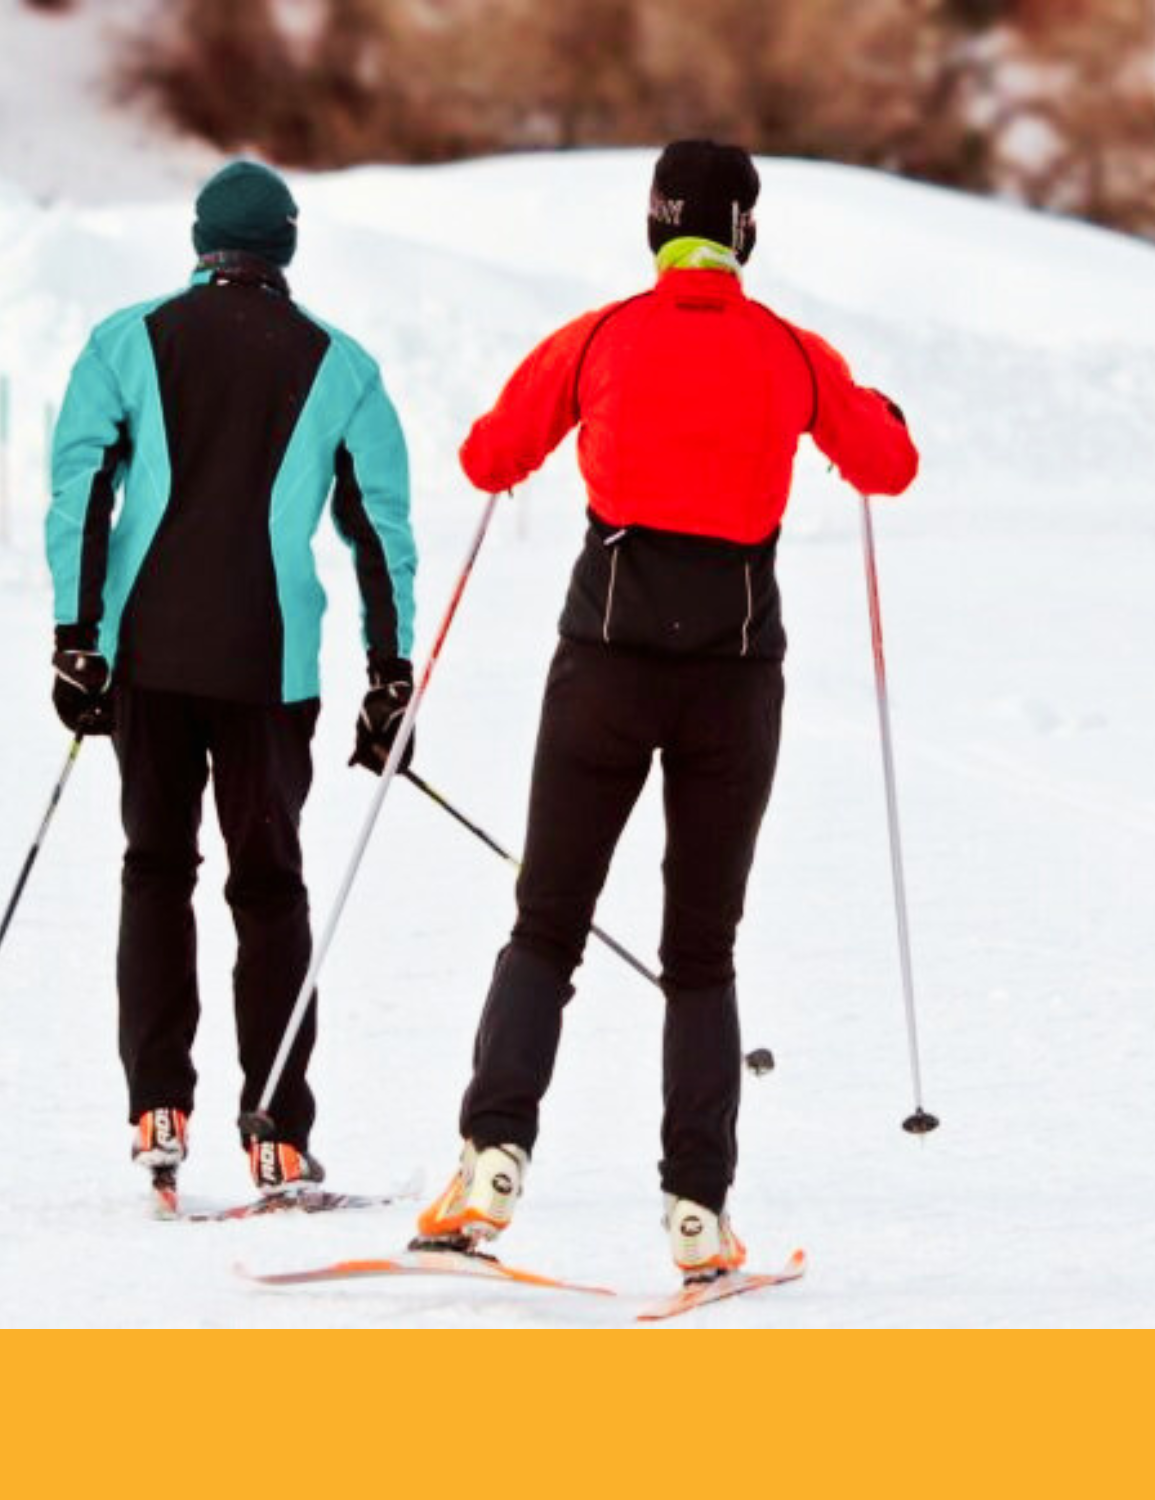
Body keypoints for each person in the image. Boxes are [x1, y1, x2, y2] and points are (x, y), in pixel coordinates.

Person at [415, 140, 919, 1281]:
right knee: (700, 951)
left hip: (602, 667)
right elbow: (886, 466)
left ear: (652, 227)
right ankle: (697, 1211)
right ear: (744, 232)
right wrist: (876, 410)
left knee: (546, 922)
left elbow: (487, 458)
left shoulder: (599, 336)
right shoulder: (790, 352)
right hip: (733, 683)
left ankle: (491, 1160)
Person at [45, 160, 418, 1207]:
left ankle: (156, 1105)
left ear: (201, 241)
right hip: (268, 666)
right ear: (284, 247)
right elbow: (378, 535)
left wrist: (76, 640)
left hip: (147, 659)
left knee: (154, 869)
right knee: (268, 890)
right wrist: (391, 677)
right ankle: (277, 1135)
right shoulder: (340, 366)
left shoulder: (124, 340)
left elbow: (80, 493)